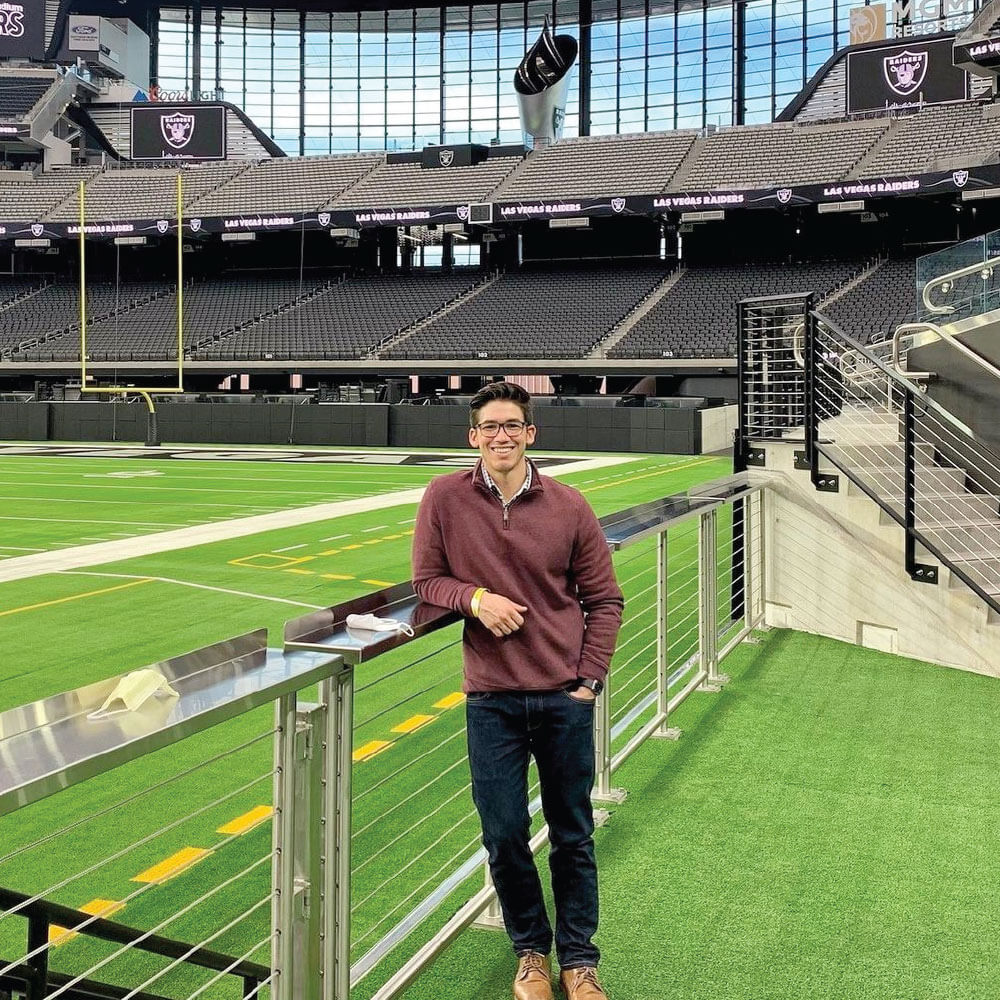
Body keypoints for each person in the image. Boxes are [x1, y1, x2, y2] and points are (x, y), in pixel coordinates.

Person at [412, 381, 624, 1000]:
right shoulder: (445, 498)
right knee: (503, 834)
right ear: (472, 436)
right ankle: (531, 952)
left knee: (572, 835)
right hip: (492, 698)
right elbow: (427, 580)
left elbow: (604, 600)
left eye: (512, 425)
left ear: (530, 434)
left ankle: (580, 962)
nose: (500, 436)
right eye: (489, 427)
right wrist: (475, 599)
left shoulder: (569, 505)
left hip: (563, 696)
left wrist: (588, 679)